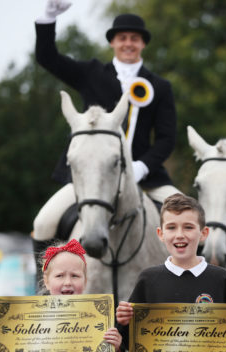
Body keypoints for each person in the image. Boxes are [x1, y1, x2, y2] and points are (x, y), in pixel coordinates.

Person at [32, 0, 180, 260]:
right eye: (122, 38)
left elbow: (166, 139)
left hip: (146, 178)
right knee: (43, 223)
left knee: (192, 221)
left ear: (143, 44)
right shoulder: (91, 73)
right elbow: (47, 58)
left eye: (134, 39)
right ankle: (44, 292)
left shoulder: (160, 86)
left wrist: (141, 167)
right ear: (113, 42)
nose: (128, 44)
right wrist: (48, 19)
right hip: (91, 176)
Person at [116, 193, 226, 352]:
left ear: (204, 233)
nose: (179, 234)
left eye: (188, 227)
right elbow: (130, 343)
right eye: (171, 227)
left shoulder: (221, 278)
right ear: (160, 234)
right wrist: (123, 322)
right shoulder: (148, 279)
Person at [0, 239, 124, 352]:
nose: (68, 282)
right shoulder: (24, 322)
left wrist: (114, 349)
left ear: (85, 281)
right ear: (46, 281)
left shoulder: (98, 323)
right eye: (60, 275)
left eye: (75, 275)